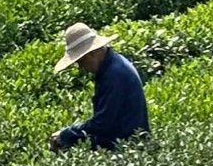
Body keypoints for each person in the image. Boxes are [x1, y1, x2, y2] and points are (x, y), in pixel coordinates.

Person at [51, 21, 150, 152]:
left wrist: (67, 134)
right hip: (126, 143)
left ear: (91, 54)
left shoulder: (114, 74)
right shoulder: (112, 65)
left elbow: (102, 124)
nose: (81, 67)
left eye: (80, 61)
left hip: (127, 148)